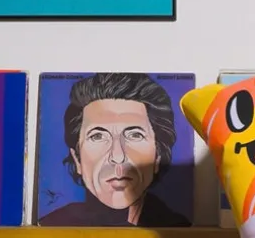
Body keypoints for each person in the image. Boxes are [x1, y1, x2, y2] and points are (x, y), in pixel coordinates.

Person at [39, 72, 191, 227]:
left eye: (135, 135)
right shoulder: (54, 225)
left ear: (158, 155)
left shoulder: (178, 228)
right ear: (77, 159)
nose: (118, 156)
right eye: (98, 136)